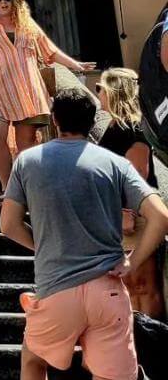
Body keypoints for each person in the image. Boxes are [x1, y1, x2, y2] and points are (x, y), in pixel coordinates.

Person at [0, 88, 168, 380]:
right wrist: (132, 260)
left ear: (54, 119)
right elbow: (160, 216)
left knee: (33, 362)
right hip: (108, 290)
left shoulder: (27, 162)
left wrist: (42, 245)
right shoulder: (115, 164)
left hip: (56, 289)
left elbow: (9, 225)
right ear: (92, 122)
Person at [0, 0, 94, 196]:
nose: (3, 2)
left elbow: (50, 51)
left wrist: (76, 65)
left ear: (15, 1)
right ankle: (7, 188)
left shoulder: (27, 25)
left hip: (26, 90)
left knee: (25, 143)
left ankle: (26, 187)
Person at [95, 67, 164, 317]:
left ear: (113, 92)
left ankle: (153, 347)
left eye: (101, 88)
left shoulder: (132, 129)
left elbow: (138, 175)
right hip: (122, 217)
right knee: (130, 287)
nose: (98, 94)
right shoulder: (117, 128)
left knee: (142, 286)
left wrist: (125, 211)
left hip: (133, 218)